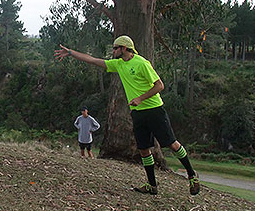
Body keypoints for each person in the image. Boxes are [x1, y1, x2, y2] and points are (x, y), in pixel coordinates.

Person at [54, 35, 200, 195]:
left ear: (124, 48)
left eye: (115, 48)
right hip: (137, 114)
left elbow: (160, 85)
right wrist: (70, 53)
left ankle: (192, 175)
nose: (113, 50)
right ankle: (152, 185)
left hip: (154, 110)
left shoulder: (142, 63)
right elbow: (93, 60)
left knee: (172, 144)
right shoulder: (118, 64)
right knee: (144, 149)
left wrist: (140, 98)